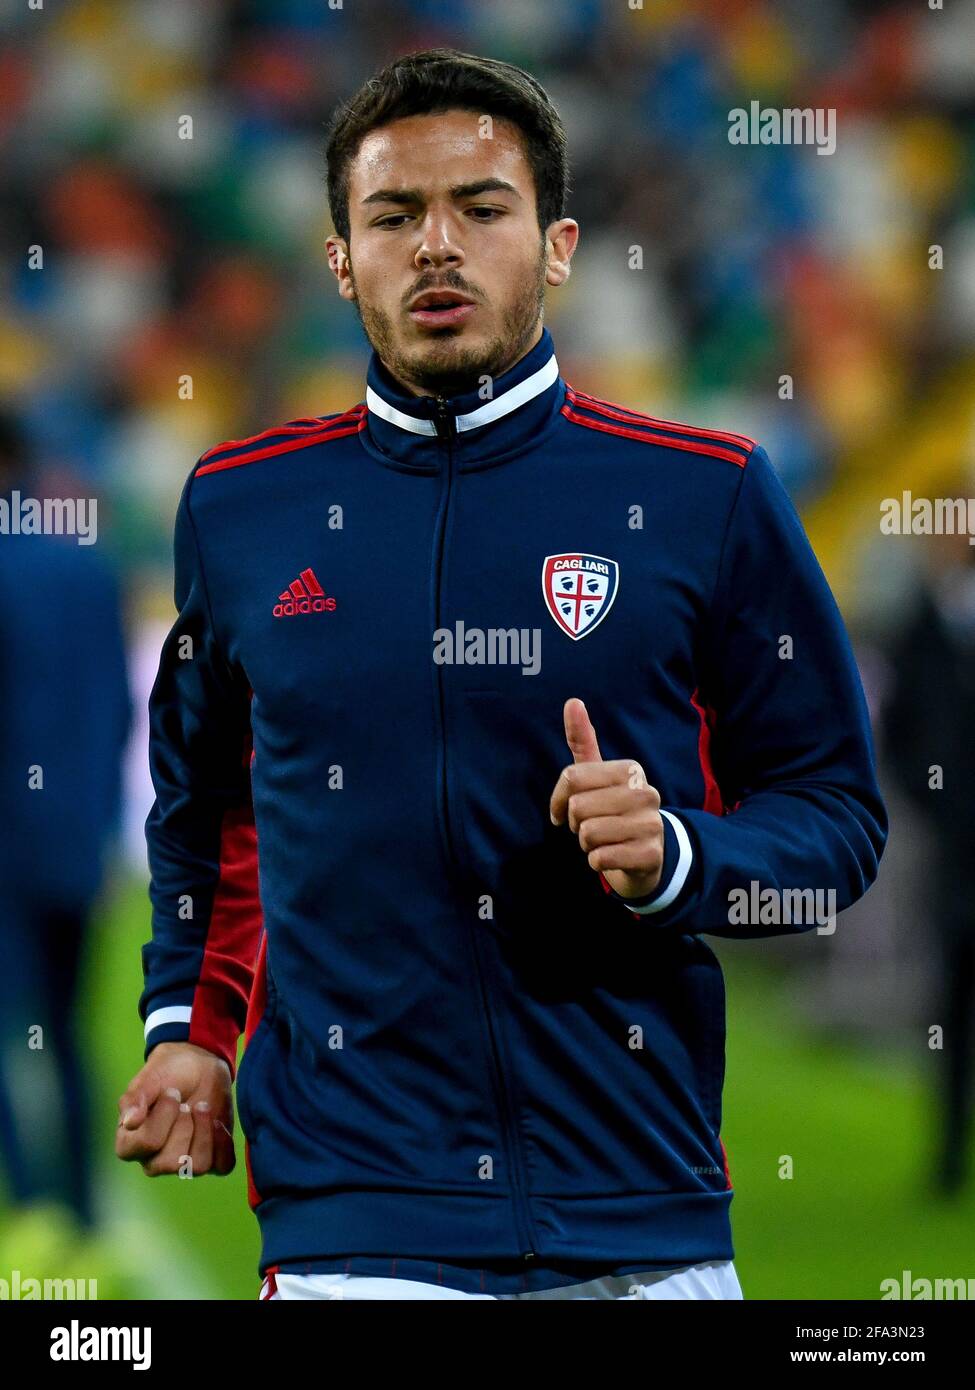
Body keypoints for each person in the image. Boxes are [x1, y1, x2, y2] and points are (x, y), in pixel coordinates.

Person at [116, 48, 888, 1301]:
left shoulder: (706, 494)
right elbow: (206, 809)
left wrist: (683, 858)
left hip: (643, 1216)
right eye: (393, 215)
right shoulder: (242, 509)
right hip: (355, 1231)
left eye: (481, 209)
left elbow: (837, 821)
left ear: (560, 243)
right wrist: (189, 1030)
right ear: (338, 258)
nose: (437, 246)